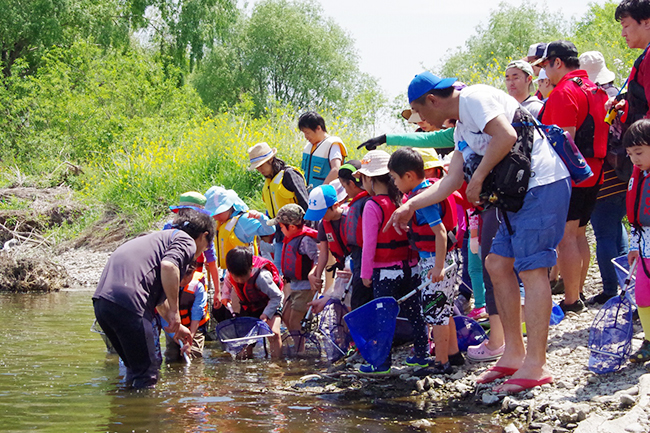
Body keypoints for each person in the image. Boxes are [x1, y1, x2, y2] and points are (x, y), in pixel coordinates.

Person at [388, 71, 570, 393]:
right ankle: (513, 353)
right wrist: (409, 206)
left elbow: (506, 135)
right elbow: (450, 182)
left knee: (532, 269)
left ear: (432, 100)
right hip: (517, 196)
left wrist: (480, 176)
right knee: (497, 264)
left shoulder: (474, 98)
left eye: (420, 112)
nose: (421, 120)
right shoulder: (460, 128)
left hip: (542, 185)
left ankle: (536, 363)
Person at [93, 210, 214, 388]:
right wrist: (175, 311)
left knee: (134, 369)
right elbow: (169, 266)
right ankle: (147, 414)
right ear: (204, 236)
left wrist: (176, 326)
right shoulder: (185, 240)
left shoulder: (156, 240)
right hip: (130, 303)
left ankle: (125, 411)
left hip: (103, 304)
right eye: (205, 247)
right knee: (148, 374)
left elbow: (158, 300)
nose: (201, 252)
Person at [536, 40, 609, 313]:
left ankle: (570, 299)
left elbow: (565, 141)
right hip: (595, 170)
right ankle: (576, 291)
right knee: (579, 234)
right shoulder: (595, 89)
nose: (544, 72)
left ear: (557, 62)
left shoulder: (564, 91)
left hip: (574, 173)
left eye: (545, 65)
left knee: (567, 236)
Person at [388, 147, 463, 375]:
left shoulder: (424, 200)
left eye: (394, 178)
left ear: (409, 176)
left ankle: (441, 363)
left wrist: (438, 267)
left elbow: (439, 232)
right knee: (445, 310)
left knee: (435, 313)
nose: (394, 184)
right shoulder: (428, 191)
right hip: (445, 258)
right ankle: (453, 354)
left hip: (436, 262)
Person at [354, 150, 429, 374]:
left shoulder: (372, 206)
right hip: (411, 268)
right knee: (416, 312)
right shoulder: (404, 201)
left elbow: (369, 245)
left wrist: (365, 274)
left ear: (370, 178)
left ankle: (382, 363)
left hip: (385, 272)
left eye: (363, 178)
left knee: (384, 317)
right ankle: (422, 355)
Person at [577, 51, 630, 305]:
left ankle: (611, 288)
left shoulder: (594, 99)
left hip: (604, 175)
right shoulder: (617, 96)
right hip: (625, 172)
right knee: (617, 229)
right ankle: (627, 284)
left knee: (604, 234)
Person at [248, 142, 309, 271]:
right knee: (280, 270)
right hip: (281, 234)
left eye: (261, 165)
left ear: (270, 159)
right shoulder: (269, 181)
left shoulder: (289, 175)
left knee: (296, 270)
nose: (259, 170)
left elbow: (305, 204)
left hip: (297, 232)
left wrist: (305, 232)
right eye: (257, 167)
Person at [222, 247, 284, 359]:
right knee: (245, 340)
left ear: (250, 268)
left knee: (273, 333)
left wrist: (266, 314)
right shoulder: (230, 273)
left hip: (270, 303)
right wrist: (225, 296)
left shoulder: (262, 277)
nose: (240, 280)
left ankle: (277, 364)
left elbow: (276, 297)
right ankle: (246, 363)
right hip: (249, 305)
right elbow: (227, 282)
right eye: (237, 277)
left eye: (243, 276)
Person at [267, 204, 320, 334]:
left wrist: (314, 275)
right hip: (294, 286)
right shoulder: (291, 238)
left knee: (296, 321)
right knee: (286, 316)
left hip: (305, 288)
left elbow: (319, 259)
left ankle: (299, 351)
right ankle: (298, 345)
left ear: (291, 227)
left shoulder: (305, 240)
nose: (279, 229)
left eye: (281, 226)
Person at [624, 119, 650, 364]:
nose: (634, 160)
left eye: (639, 153)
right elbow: (636, 221)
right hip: (644, 249)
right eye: (630, 154)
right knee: (642, 296)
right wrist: (633, 246)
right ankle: (649, 340)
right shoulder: (639, 176)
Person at [165, 191, 220, 297]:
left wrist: (217, 291)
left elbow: (212, 261)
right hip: (171, 276)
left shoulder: (204, 232)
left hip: (193, 281)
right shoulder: (169, 227)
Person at [338, 161, 373, 310]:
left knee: (360, 304)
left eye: (345, 186)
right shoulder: (362, 202)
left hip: (365, 261)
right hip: (358, 260)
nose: (345, 191)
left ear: (352, 183)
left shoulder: (367, 203)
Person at [305, 182, 349, 293]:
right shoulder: (323, 224)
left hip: (354, 268)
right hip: (341, 267)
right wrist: (318, 276)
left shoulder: (350, 218)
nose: (321, 217)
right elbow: (323, 253)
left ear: (335, 206)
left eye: (322, 212)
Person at [162, 260, 209, 362]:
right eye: (180, 278)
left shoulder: (197, 287)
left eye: (186, 278)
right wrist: (174, 335)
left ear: (192, 273)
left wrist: (189, 339)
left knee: (194, 355)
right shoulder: (166, 284)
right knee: (172, 356)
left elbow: (197, 312)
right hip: (173, 326)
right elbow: (162, 312)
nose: (182, 281)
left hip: (195, 326)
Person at [298, 111, 347, 188]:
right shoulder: (309, 146)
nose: (305, 136)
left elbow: (336, 169)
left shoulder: (333, 145)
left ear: (318, 128)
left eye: (307, 132)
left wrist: (321, 191)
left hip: (325, 196)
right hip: (308, 195)